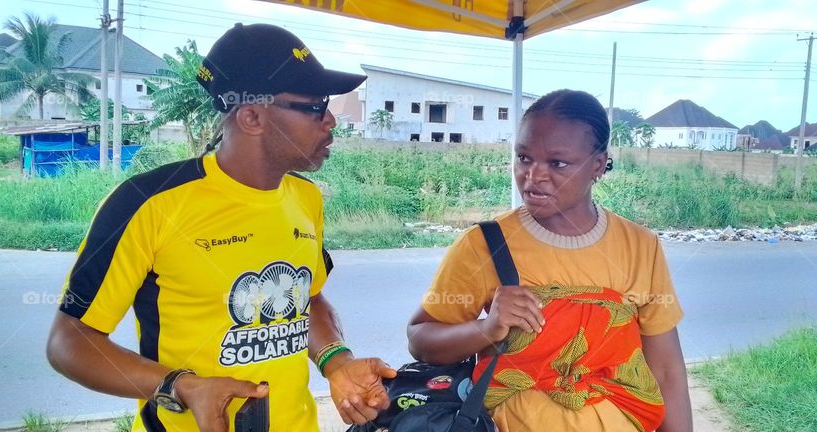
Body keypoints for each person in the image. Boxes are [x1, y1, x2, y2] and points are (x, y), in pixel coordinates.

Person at [46, 23, 395, 432]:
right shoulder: (148, 202)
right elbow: (69, 340)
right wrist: (179, 386)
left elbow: (309, 299)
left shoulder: (306, 198)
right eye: (315, 105)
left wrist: (337, 362)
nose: (331, 120)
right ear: (251, 117)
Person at [407, 90, 693, 431]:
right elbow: (420, 339)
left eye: (557, 163)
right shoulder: (484, 245)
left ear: (598, 166)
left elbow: (665, 370)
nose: (534, 175)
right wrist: (487, 329)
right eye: (524, 157)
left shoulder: (640, 248)